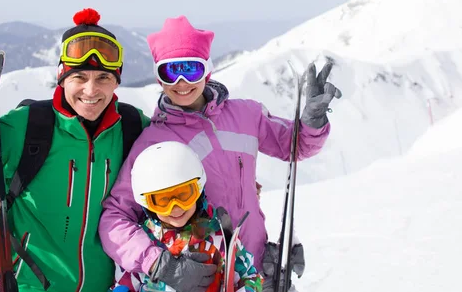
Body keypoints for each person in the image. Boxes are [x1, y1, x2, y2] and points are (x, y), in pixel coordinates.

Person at [99, 16, 341, 291]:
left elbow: (295, 146)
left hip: (255, 270)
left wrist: (312, 122)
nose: (181, 83)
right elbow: (115, 218)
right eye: (170, 72)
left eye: (191, 70)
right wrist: (160, 264)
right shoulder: (153, 142)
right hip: (198, 275)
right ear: (158, 77)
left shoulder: (246, 115)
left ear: (207, 70)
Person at [0, 8, 150, 292]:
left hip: (104, 285)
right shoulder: (27, 126)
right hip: (29, 284)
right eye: (80, 78)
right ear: (62, 78)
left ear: (116, 81)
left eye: (103, 77)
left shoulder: (132, 127)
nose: (91, 90)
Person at [111, 141, 262, 292]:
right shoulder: (145, 243)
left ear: (199, 190)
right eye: (163, 201)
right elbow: (127, 283)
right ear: (147, 205)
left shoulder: (219, 235)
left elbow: (250, 276)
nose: (175, 208)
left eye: (184, 195)